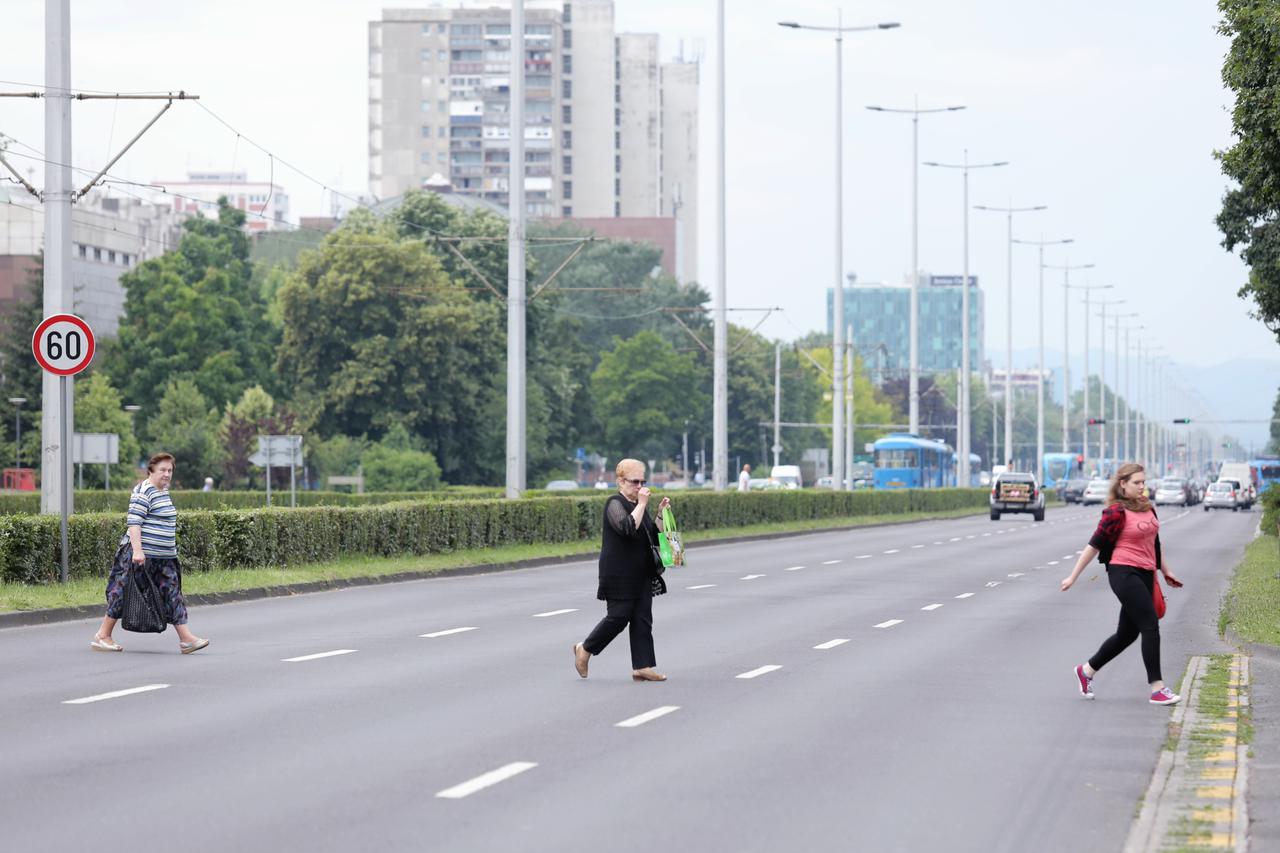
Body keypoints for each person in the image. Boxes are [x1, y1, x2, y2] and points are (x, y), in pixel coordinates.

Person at [1060, 462, 1183, 705]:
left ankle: (1086, 671)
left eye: (1143, 482)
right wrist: (1073, 576)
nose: (1141, 487)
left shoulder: (1149, 508)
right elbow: (1093, 545)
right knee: (1149, 624)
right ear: (1122, 484)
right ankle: (1157, 688)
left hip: (1146, 573)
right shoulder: (1115, 512)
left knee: (1126, 634)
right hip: (1123, 572)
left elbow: (1155, 543)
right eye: (1136, 483)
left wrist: (1166, 571)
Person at [91, 452, 209, 654]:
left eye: (170, 470)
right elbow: (134, 522)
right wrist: (137, 551)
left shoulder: (163, 491)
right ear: (151, 470)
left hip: (164, 558)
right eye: (162, 470)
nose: (167, 474)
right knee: (123, 592)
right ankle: (103, 635)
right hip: (140, 555)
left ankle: (186, 639)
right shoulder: (143, 491)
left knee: (173, 594)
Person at [573, 459, 670, 682]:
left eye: (642, 481)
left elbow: (652, 534)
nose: (639, 486)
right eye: (635, 481)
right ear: (620, 481)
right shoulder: (614, 503)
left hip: (642, 572)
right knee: (618, 617)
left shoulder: (639, 506)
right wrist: (643, 504)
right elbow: (627, 528)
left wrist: (660, 514)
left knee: (643, 618)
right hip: (619, 573)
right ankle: (584, 649)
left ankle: (642, 666)